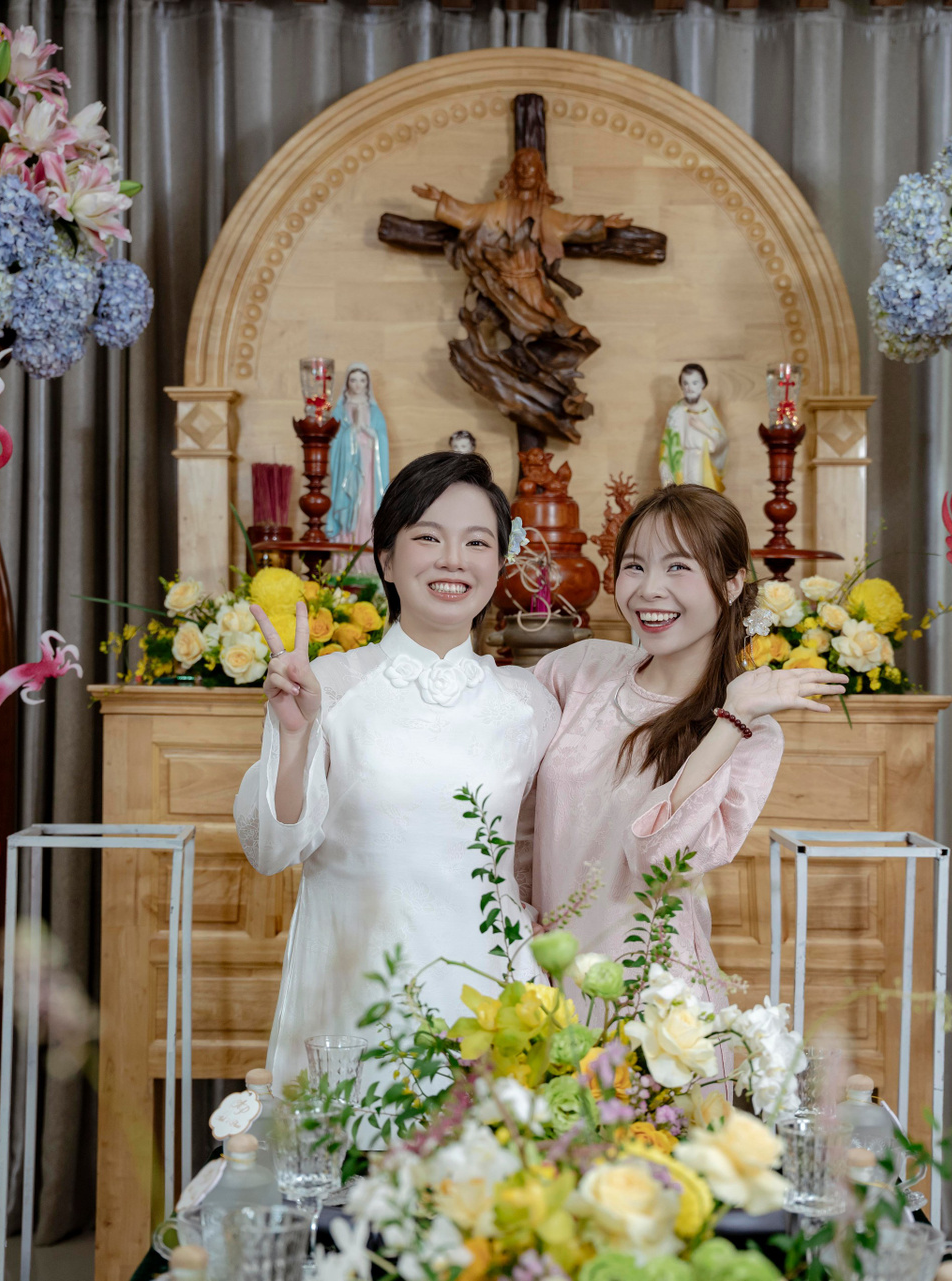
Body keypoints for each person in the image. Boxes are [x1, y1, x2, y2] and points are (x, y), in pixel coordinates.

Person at [233, 451, 558, 1087]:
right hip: (358, 994)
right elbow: (273, 850)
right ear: (386, 558)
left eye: (476, 542)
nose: (453, 560)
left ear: (499, 563)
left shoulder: (528, 704)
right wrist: (294, 737)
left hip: (494, 995)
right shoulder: (329, 685)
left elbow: (540, 851)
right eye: (428, 538)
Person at [526, 485, 844, 999]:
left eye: (678, 567)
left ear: (731, 583)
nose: (649, 589)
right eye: (634, 566)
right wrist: (516, 919)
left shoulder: (752, 733)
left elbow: (658, 859)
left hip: (652, 995)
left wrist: (731, 719)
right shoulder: (575, 671)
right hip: (543, 976)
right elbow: (514, 818)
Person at [325, 363, 389, 574]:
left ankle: (368, 567)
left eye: (362, 380)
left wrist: (370, 433)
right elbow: (333, 442)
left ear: (368, 383)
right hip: (348, 471)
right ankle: (344, 566)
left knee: (367, 512)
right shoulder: (340, 410)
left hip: (369, 472)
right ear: (347, 382)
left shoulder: (374, 411)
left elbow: (382, 440)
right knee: (348, 514)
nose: (358, 384)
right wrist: (351, 432)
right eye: (353, 379)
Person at [658, 364, 728, 493]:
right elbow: (668, 446)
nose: (689, 388)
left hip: (702, 463)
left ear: (703, 384)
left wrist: (703, 429)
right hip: (682, 464)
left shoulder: (707, 410)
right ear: (681, 385)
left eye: (694, 383)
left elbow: (720, 442)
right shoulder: (676, 412)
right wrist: (666, 473)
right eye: (685, 383)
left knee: (702, 498)